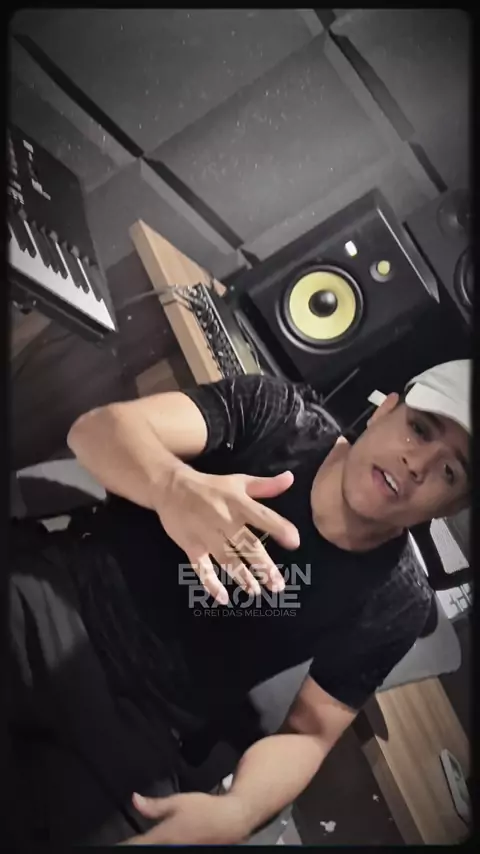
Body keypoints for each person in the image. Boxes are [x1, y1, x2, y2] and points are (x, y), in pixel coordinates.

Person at [6, 359, 470, 845]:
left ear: (452, 506)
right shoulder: (278, 417)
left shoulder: (397, 603)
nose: (417, 465)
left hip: (143, 723)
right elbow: (94, 432)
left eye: (449, 471)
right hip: (59, 601)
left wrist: (240, 810)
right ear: (385, 411)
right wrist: (171, 486)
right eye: (420, 429)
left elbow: (309, 733)